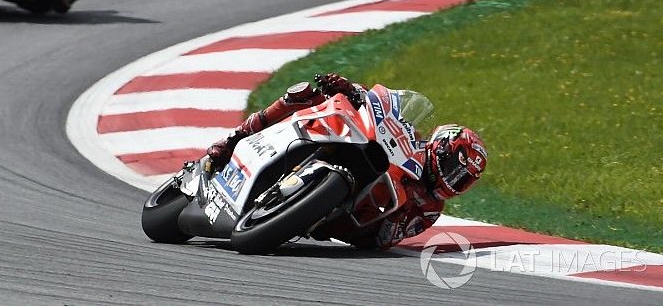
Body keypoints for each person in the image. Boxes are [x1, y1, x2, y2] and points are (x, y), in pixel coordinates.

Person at [206, 73, 488, 250]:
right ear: (439, 148)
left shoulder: (430, 207)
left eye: (461, 180)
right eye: (453, 170)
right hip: (352, 153)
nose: (452, 181)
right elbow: (378, 106)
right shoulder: (412, 139)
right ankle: (236, 138)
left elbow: (387, 240)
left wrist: (393, 222)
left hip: (345, 223)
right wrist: (349, 88)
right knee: (305, 95)